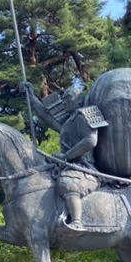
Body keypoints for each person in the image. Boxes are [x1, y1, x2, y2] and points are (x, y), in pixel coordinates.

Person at [21, 81, 108, 230]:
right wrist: (31, 97)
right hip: (67, 166)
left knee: (69, 185)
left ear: (79, 100)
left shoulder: (84, 115)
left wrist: (65, 155)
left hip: (84, 168)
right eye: (64, 98)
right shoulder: (69, 121)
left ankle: (77, 221)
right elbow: (46, 117)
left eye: (68, 98)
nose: (64, 101)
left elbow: (90, 140)